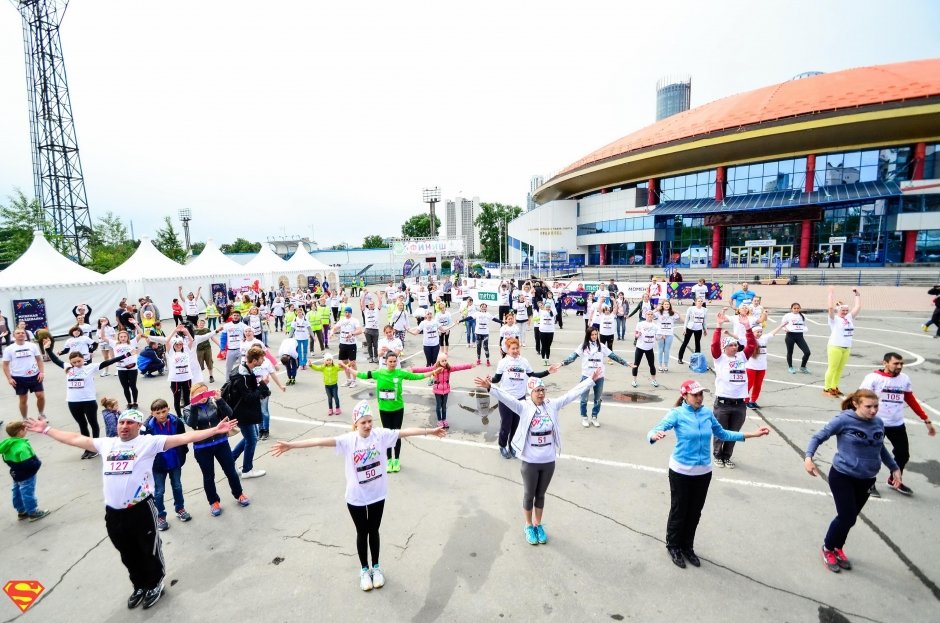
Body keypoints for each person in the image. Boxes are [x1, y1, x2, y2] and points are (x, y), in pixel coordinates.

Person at [23, 408, 237, 609]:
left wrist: (215, 430)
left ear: (139, 426)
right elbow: (77, 439)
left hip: (141, 510)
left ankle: (155, 584)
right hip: (114, 513)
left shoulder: (149, 443)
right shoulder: (107, 444)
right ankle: (140, 585)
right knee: (127, 553)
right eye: (122, 422)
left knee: (149, 550)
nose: (124, 426)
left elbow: (185, 438)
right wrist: (47, 430)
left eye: (130, 422)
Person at [272, 400, 445, 591]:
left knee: (374, 531)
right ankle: (364, 570)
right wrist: (291, 445)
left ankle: (376, 568)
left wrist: (431, 431)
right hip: (356, 498)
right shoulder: (349, 440)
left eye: (370, 421)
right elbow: (319, 441)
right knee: (362, 533)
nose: (368, 425)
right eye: (363, 422)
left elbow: (405, 432)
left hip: (377, 495)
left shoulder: (380, 435)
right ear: (356, 423)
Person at [648, 380, 770, 568]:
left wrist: (753, 434)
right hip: (681, 471)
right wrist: (654, 436)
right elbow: (656, 429)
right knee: (679, 510)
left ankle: (688, 547)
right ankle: (673, 546)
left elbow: (723, 433)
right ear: (685, 396)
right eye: (695, 394)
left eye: (701, 394)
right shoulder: (677, 414)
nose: (699, 397)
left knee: (695, 512)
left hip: (703, 472)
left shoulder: (706, 414)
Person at [477, 369, 603, 545]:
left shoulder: (552, 405)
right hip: (530, 461)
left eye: (543, 390)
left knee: (541, 495)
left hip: (548, 461)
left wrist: (590, 380)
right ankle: (528, 525)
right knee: (529, 494)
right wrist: (490, 387)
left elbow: (570, 394)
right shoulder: (524, 407)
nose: (541, 393)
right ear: (531, 393)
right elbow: (507, 398)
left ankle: (538, 524)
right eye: (537, 390)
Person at [805, 389, 902, 573]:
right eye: (868, 407)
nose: (873, 411)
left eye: (876, 406)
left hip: (867, 479)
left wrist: (894, 467)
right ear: (856, 404)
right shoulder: (844, 420)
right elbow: (818, 436)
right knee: (846, 516)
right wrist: (808, 457)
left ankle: (837, 547)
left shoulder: (878, 423)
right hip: (843, 475)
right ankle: (827, 548)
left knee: (849, 519)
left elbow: (880, 448)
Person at [859, 353, 935, 497]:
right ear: (885, 363)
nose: (899, 366)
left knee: (903, 454)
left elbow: (910, 399)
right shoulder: (873, 378)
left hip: (896, 423)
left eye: (901, 364)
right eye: (896, 363)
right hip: (876, 423)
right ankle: (868, 483)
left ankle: (894, 480)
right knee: (872, 455)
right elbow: (860, 398)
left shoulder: (904, 379)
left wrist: (926, 419)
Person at [44, 339, 130, 457]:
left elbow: (108, 362)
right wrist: (48, 349)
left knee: (93, 423)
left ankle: (95, 448)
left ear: (83, 359)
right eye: (74, 362)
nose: (77, 364)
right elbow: (55, 359)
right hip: (73, 402)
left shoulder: (90, 367)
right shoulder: (68, 368)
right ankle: (87, 447)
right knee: (82, 425)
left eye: (79, 361)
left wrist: (126, 355)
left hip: (88, 401)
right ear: (71, 362)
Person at [353, 353, 437, 472]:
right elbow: (362, 375)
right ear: (386, 362)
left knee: (397, 435)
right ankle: (388, 460)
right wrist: (347, 368)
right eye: (390, 361)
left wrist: (432, 373)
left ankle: (396, 460)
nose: (392, 363)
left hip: (398, 409)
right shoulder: (379, 373)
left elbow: (417, 376)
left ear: (397, 362)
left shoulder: (400, 373)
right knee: (386, 435)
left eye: (394, 361)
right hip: (384, 410)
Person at [182, 383, 250, 516]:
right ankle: (214, 502)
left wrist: (220, 400)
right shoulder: (188, 409)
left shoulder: (213, 403)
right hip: (202, 447)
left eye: (205, 393)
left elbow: (229, 414)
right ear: (193, 396)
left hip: (221, 443)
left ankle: (239, 494)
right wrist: (194, 405)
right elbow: (192, 423)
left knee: (231, 471)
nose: (203, 397)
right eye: (199, 395)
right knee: (208, 476)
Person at [491, 338, 557, 458]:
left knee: (516, 426)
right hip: (506, 399)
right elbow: (497, 378)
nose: (515, 351)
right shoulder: (503, 362)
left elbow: (532, 375)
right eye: (513, 349)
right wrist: (490, 380)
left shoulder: (524, 361)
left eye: (517, 348)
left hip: (520, 399)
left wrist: (548, 371)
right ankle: (502, 445)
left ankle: (512, 445)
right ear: (507, 350)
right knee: (506, 425)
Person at [710, 309, 756, 468]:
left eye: (736, 345)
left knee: (734, 433)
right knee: (720, 432)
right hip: (723, 403)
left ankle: (727, 456)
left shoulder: (742, 357)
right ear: (725, 347)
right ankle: (717, 455)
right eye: (731, 345)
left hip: (740, 403)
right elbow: (714, 344)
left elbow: (751, 345)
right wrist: (718, 327)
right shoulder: (720, 358)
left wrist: (748, 327)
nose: (735, 347)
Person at [559, 328, 631, 427]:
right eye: (592, 334)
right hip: (587, 376)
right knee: (584, 399)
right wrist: (562, 363)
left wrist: (626, 363)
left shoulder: (601, 346)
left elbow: (613, 356)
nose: (594, 336)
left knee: (597, 398)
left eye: (595, 334)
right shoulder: (583, 346)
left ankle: (594, 417)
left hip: (599, 376)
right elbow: (573, 356)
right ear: (588, 335)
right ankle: (584, 417)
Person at [144, 399, 192, 531]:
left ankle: (180, 508)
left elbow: (183, 439)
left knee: (177, 486)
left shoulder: (177, 422)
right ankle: (160, 516)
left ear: (168, 409)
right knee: (159, 492)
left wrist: (183, 453)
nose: (161, 415)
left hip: (175, 461)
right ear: (152, 413)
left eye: (163, 411)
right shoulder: (148, 427)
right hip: (158, 465)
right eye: (157, 412)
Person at [228, 346, 269, 479]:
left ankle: (230, 460)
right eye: (262, 358)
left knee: (251, 437)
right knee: (251, 439)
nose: (263, 360)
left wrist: (260, 386)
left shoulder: (246, 370)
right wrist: (262, 387)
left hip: (244, 412)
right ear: (255, 360)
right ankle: (247, 469)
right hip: (242, 413)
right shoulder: (243, 376)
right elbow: (248, 397)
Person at [0, 420, 48, 522]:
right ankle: (33, 512)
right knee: (27, 492)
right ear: (20, 432)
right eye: (25, 429)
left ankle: (21, 511)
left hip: (15, 472)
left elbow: (5, 459)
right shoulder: (22, 446)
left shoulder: (7, 444)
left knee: (17, 490)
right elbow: (28, 463)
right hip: (26, 474)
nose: (26, 430)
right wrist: (37, 464)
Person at [413, 353, 475, 428]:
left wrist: (470, 365)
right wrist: (413, 370)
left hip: (446, 390)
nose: (445, 362)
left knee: (444, 406)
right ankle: (439, 420)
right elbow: (423, 369)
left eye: (445, 360)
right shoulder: (434, 368)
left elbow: (459, 367)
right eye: (443, 361)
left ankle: (444, 419)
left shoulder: (449, 368)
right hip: (437, 390)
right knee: (438, 406)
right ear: (439, 361)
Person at [824, 287, 861, 397]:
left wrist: (857, 294)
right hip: (835, 346)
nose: (845, 312)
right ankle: (827, 388)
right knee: (832, 368)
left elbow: (858, 307)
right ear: (838, 310)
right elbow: (830, 308)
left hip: (846, 347)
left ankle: (834, 387)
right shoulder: (833, 319)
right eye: (842, 310)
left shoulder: (849, 317)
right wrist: (830, 294)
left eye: (846, 310)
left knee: (840, 369)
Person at [3, 328, 46, 420]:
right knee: (23, 399)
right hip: (19, 377)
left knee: (40, 396)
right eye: (18, 333)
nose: (21, 334)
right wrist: (9, 378)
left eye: (23, 333)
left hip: (35, 375)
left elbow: (39, 359)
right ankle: (25, 419)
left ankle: (41, 414)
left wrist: (41, 372)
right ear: (13, 336)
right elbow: (5, 365)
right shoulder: (9, 349)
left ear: (25, 335)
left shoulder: (32, 346)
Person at [744, 323, 788, 409]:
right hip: (751, 367)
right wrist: (729, 333)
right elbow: (738, 337)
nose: (759, 333)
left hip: (762, 367)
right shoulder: (748, 340)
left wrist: (781, 325)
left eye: (761, 332)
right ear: (752, 333)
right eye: (757, 332)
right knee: (749, 384)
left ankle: (753, 401)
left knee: (758, 385)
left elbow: (773, 333)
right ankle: (745, 401)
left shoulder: (764, 338)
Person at [333, 307, 364, 387]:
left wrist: (352, 334)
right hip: (343, 343)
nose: (347, 314)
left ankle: (354, 380)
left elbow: (360, 330)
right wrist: (332, 332)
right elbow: (335, 327)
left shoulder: (355, 320)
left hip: (351, 344)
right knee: (344, 363)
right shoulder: (342, 320)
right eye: (345, 312)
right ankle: (348, 380)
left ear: (351, 313)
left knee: (352, 363)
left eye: (348, 312)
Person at [631, 310, 659, 389]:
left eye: (651, 314)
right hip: (640, 347)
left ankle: (653, 380)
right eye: (648, 314)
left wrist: (660, 337)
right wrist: (637, 335)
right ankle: (634, 380)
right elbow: (636, 334)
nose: (650, 315)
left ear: (653, 316)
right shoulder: (640, 324)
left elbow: (656, 337)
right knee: (636, 364)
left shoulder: (655, 326)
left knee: (652, 365)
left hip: (649, 348)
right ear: (645, 315)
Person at [781, 303, 812, 374]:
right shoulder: (787, 315)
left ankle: (803, 367)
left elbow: (804, 325)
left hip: (799, 336)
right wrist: (785, 329)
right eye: (794, 308)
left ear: (800, 309)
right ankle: (790, 367)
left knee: (807, 352)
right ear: (791, 309)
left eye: (798, 308)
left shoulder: (803, 316)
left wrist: (805, 329)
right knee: (790, 352)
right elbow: (782, 325)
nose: (796, 309)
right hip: (790, 336)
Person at [677, 298, 707, 365]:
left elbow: (705, 321)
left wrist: (705, 329)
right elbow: (687, 319)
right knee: (685, 342)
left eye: (701, 301)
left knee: (697, 343)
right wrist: (684, 328)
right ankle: (680, 358)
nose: (700, 302)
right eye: (698, 301)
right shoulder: (691, 309)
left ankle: (697, 359)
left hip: (699, 329)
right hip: (690, 328)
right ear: (695, 302)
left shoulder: (704, 310)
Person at [654, 300, 680, 372]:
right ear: (662, 305)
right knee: (660, 350)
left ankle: (666, 365)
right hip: (660, 333)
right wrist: (656, 309)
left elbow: (681, 319)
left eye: (668, 304)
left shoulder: (672, 314)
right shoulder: (659, 313)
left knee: (666, 350)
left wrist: (677, 312)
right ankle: (660, 365)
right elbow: (648, 314)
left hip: (669, 334)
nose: (666, 305)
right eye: (665, 304)